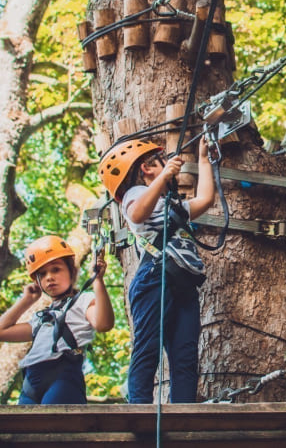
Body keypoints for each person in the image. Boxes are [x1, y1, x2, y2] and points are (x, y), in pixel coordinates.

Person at [98, 137, 215, 403]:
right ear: (146, 168)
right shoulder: (134, 195)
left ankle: (183, 413)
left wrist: (204, 158)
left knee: (184, 355)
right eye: (160, 162)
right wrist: (163, 176)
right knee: (148, 346)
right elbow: (138, 214)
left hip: (182, 281)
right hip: (154, 278)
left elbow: (205, 200)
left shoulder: (170, 205)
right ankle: (138, 407)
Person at [0, 235, 115, 404]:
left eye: (56, 269)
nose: (49, 277)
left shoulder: (82, 301)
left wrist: (98, 281)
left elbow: (103, 324)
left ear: (72, 272)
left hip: (62, 376)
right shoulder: (41, 318)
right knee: (24, 429)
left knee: (53, 424)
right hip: (30, 383)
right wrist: (26, 300)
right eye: (42, 274)